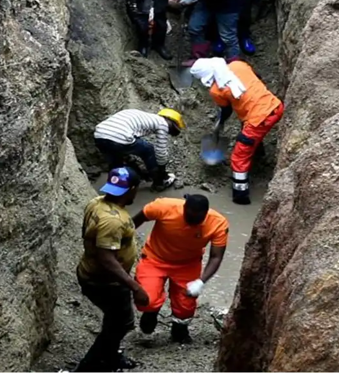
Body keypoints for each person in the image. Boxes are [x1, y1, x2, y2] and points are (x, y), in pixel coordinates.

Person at [75, 167, 151, 372]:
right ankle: (89, 367)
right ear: (133, 190)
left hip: (93, 273)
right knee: (119, 324)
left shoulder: (96, 202)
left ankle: (110, 358)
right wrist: (135, 287)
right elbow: (107, 259)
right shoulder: (113, 221)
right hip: (105, 282)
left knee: (115, 320)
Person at [131, 194, 228, 344]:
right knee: (147, 298)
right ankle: (151, 313)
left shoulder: (218, 223)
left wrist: (201, 282)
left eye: (198, 219)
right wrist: (122, 242)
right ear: (184, 208)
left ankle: (179, 328)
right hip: (154, 259)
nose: (192, 222)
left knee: (186, 305)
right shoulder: (163, 207)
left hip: (188, 265)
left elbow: (216, 257)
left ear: (206, 213)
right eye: (189, 217)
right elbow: (134, 222)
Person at [190, 57, 283, 204]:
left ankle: (240, 195)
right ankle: (258, 154)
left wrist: (220, 123)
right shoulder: (238, 65)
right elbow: (257, 77)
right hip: (275, 106)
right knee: (246, 128)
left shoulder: (216, 89)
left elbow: (226, 109)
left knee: (239, 157)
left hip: (258, 120)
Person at [93, 108, 185, 191]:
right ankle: (159, 183)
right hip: (120, 136)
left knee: (115, 162)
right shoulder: (163, 123)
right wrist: (162, 169)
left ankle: (115, 188)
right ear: (171, 122)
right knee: (148, 150)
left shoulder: (142, 115)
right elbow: (161, 151)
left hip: (99, 135)